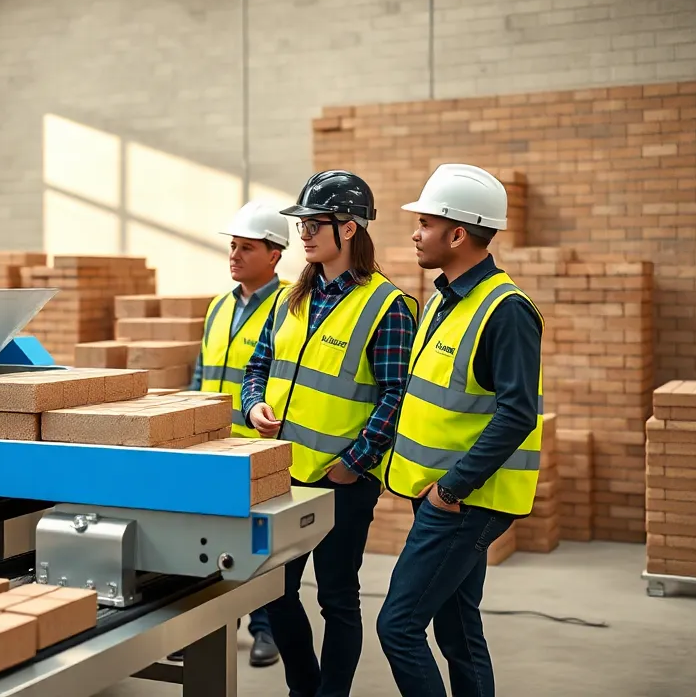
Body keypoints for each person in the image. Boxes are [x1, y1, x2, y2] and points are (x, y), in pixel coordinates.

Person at [241, 171, 417, 697]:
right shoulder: (289, 299)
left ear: (350, 229)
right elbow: (258, 365)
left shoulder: (387, 306)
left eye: (316, 224)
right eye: (303, 224)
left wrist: (354, 463)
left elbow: (396, 395)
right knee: (276, 591)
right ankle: (306, 689)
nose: (305, 234)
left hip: (344, 481)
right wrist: (254, 406)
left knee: (337, 598)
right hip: (283, 476)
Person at [376, 163, 543, 697]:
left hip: (465, 501)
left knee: (397, 626)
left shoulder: (506, 310)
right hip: (440, 496)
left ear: (457, 233)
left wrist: (452, 489)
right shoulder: (446, 299)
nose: (414, 233)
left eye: (424, 223)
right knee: (457, 629)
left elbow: (518, 413)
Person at [174, 200, 289, 667]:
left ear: (275, 254)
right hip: (212, 445)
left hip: (256, 446)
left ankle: (266, 628)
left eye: (246, 248)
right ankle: (216, 624)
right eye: (233, 247)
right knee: (208, 539)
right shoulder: (219, 306)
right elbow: (201, 374)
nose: (234, 256)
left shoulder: (289, 308)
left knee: (259, 542)